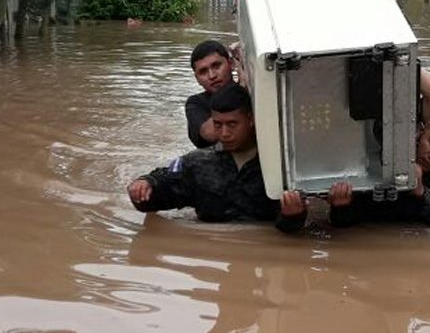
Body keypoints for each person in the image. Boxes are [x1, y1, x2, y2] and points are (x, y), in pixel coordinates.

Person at [130, 83, 306, 233]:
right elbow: (153, 201)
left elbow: (294, 233)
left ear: (251, 119)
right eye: (218, 125)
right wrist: (144, 186)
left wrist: (293, 217)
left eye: (232, 124)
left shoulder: (283, 167)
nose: (224, 133)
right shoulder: (198, 165)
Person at [329, 112, 430, 231]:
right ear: (419, 132)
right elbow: (343, 224)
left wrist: (421, 193)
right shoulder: (376, 160)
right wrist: (341, 207)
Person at [185, 40, 235, 148]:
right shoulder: (196, 103)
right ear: (197, 79)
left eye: (216, 66)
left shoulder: (251, 90)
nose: (212, 76)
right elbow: (209, 133)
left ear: (232, 64)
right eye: (203, 72)